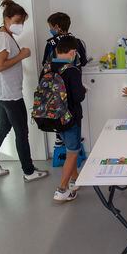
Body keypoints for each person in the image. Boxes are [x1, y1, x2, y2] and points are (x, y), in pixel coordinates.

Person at [0, 0, 48, 181]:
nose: (20, 25)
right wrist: (22, 55)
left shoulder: (0, 35)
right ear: (7, 18)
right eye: (18, 21)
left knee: (3, 127)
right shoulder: (4, 37)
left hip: (1, 92)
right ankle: (29, 171)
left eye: (22, 22)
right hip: (10, 94)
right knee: (21, 132)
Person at [43, 12, 88, 147]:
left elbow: (46, 64)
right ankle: (74, 138)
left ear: (56, 27)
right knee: (74, 110)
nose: (50, 30)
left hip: (56, 86)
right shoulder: (77, 41)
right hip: (74, 83)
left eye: (50, 27)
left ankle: (59, 137)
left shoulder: (51, 43)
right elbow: (83, 61)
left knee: (57, 107)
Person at [51, 36, 86, 202]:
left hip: (54, 116)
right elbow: (78, 97)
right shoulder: (72, 70)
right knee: (73, 152)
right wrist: (83, 90)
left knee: (68, 146)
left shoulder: (48, 67)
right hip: (70, 117)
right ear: (73, 52)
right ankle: (62, 190)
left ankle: (75, 179)